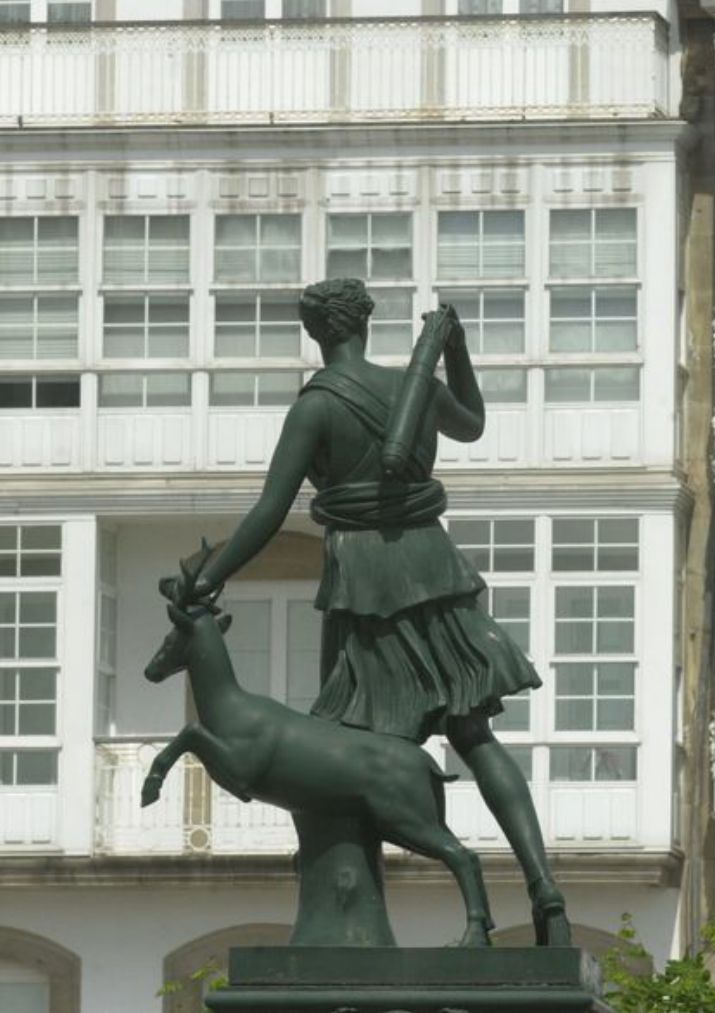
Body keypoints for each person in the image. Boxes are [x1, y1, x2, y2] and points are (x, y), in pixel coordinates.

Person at [173, 277, 570, 945]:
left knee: (337, 740)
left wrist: (208, 577)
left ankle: (339, 919)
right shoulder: (407, 387)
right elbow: (472, 424)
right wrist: (458, 353)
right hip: (431, 564)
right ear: (364, 325)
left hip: (364, 576)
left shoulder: (316, 407)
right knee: (473, 732)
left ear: (316, 333)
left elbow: (272, 510)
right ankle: (544, 887)